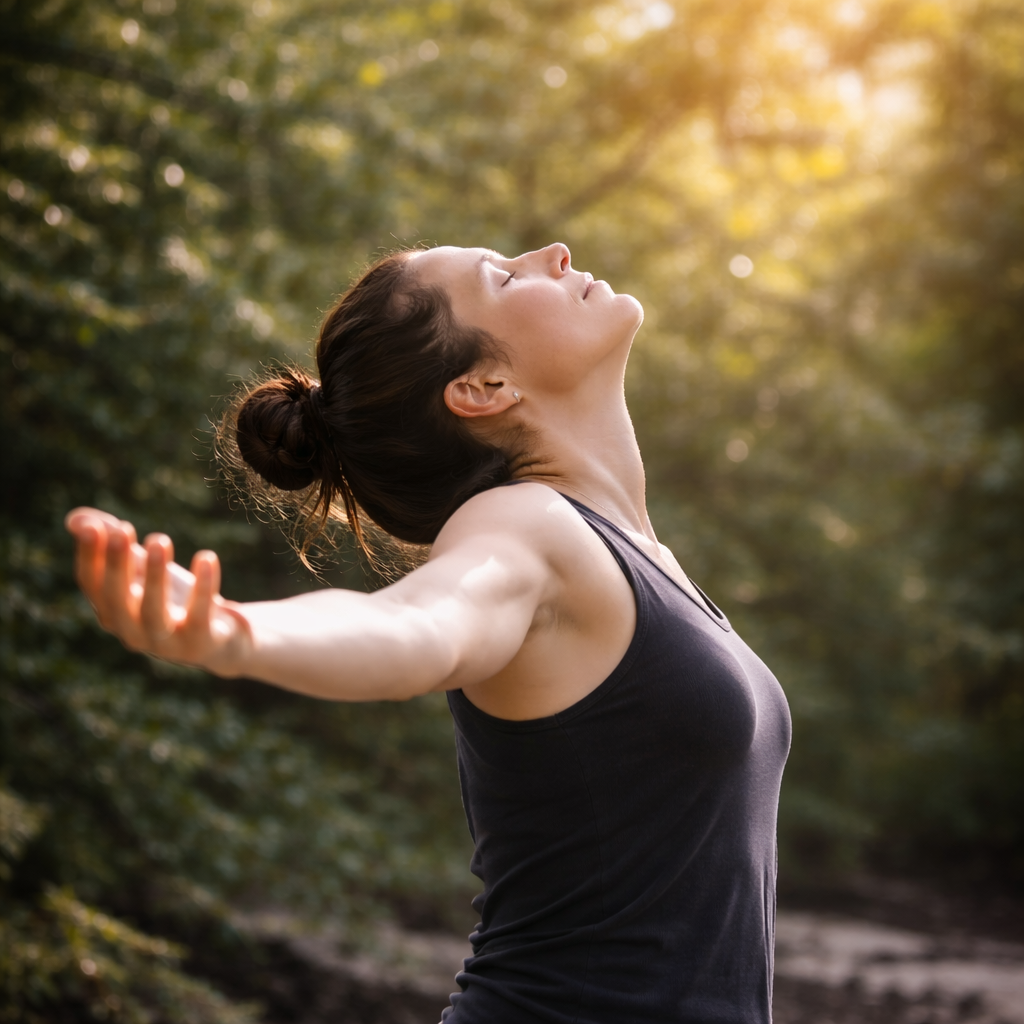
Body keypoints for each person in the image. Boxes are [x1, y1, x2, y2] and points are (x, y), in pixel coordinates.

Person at [66, 242, 791, 1024]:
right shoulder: (525, 525)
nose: (553, 252)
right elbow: (416, 625)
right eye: (505, 277)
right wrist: (235, 633)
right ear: (484, 387)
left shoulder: (643, 560)